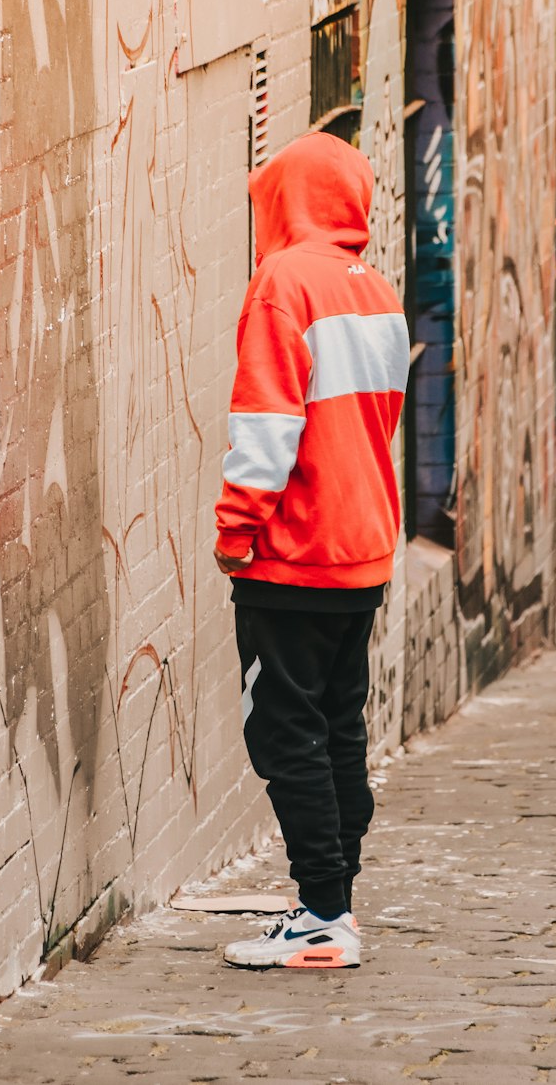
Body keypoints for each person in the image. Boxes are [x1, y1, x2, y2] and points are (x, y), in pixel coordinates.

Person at [214, 130, 410, 969]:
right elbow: (378, 420)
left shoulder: (282, 285)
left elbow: (267, 425)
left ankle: (324, 914)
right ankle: (333, 902)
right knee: (336, 726)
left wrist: (236, 528)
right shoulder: (379, 291)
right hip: (361, 546)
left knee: (282, 728)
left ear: (283, 198)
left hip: (294, 551)